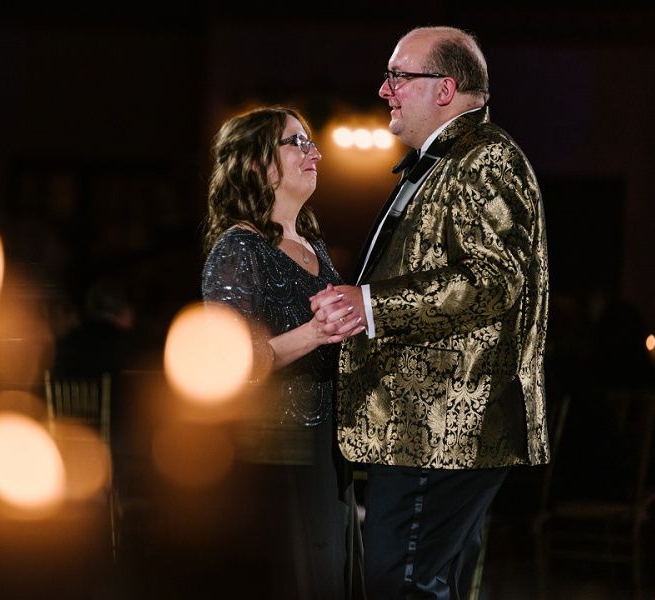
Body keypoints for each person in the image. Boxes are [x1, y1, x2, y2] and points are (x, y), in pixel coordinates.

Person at [311, 26, 549, 599]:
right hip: (428, 429)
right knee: (427, 584)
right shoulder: (441, 160)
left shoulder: (483, 157)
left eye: (398, 76)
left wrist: (368, 305)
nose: (383, 89)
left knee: (402, 584)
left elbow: (495, 280)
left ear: (445, 89)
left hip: (441, 428)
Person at [201, 105, 365, 599]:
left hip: (326, 447)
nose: (313, 152)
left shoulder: (314, 246)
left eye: (311, 141)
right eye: (296, 142)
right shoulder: (238, 249)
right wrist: (316, 332)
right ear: (254, 163)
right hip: (275, 454)